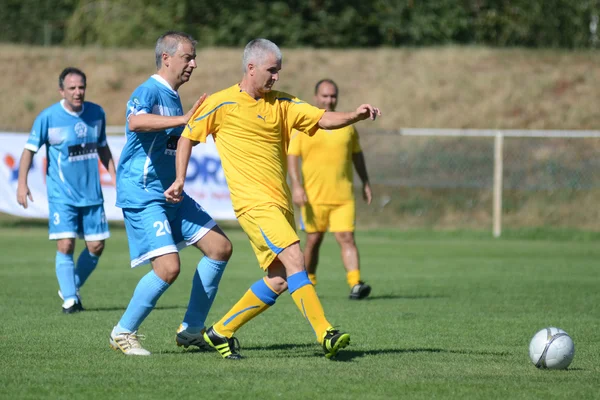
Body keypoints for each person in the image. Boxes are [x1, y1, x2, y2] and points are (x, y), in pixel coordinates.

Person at [165, 38, 381, 360]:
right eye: (272, 70)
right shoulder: (221, 103)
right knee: (296, 258)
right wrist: (180, 178)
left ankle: (221, 331)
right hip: (254, 205)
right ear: (251, 68)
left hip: (280, 205)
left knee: (280, 279)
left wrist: (355, 116)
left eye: (279, 71)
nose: (276, 77)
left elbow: (323, 118)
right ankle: (326, 333)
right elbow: (187, 137)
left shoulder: (282, 103)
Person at [109, 31, 233, 356]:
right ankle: (123, 332)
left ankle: (191, 331)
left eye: (194, 57)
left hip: (169, 194)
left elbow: (180, 141)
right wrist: (183, 118)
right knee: (168, 268)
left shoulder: (175, 96)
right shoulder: (149, 90)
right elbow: (135, 122)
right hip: (143, 193)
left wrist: (179, 179)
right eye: (188, 57)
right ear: (166, 58)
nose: (194, 63)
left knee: (220, 248)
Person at [16, 67, 116, 314]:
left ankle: (70, 285)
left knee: (96, 246)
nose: (77, 92)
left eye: (81, 87)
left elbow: (103, 148)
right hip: (62, 195)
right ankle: (70, 299)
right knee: (66, 245)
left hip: (91, 194)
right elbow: (29, 151)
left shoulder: (96, 113)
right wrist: (22, 183)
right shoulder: (48, 118)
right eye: (71, 88)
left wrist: (116, 177)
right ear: (62, 90)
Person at [288, 79, 372, 300]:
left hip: (343, 197)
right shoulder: (305, 124)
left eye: (332, 96)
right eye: (325, 96)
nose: (329, 100)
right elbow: (292, 158)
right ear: (316, 97)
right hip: (313, 198)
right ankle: (309, 283)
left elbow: (357, 155)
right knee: (314, 240)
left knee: (346, 237)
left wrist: (365, 182)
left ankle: (355, 283)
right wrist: (296, 186)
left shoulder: (348, 127)